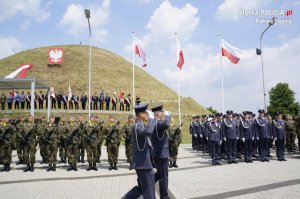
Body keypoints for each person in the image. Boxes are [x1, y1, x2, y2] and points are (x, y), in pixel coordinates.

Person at [121, 103, 156, 199]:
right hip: (143, 164)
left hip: (144, 163)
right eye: (146, 113)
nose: (147, 115)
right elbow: (148, 132)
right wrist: (152, 119)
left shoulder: (140, 125)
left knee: (142, 188)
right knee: (149, 191)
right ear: (140, 114)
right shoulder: (137, 126)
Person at [151, 104, 171, 199]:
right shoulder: (157, 123)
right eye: (162, 112)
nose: (163, 114)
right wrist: (168, 115)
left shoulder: (155, 122)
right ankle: (164, 196)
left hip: (159, 152)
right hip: (161, 154)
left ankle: (146, 184)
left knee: (159, 174)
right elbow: (167, 124)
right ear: (157, 113)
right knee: (164, 176)